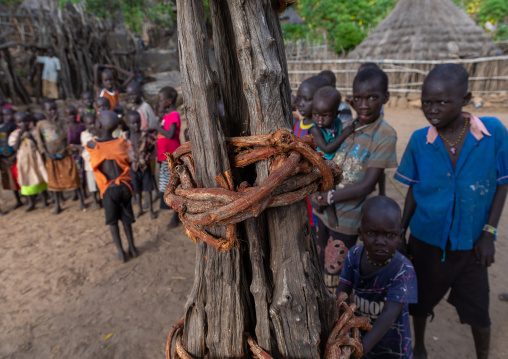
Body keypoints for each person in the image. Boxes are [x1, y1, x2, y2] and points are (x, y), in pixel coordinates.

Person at [394, 64, 508, 359]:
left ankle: (483, 355)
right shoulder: (421, 140)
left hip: (471, 244)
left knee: (478, 310)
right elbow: (414, 191)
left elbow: (502, 184)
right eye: (427, 101)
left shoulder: (493, 133)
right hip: (426, 240)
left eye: (443, 102)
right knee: (419, 303)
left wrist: (489, 234)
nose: (433, 109)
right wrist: (400, 233)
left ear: (465, 99)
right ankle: (419, 346)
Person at [309, 67, 397, 294]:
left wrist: (327, 196)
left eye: (372, 98)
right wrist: (315, 195)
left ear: (385, 98)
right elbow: (325, 160)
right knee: (319, 263)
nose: (364, 105)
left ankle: (336, 322)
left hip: (347, 218)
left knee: (334, 276)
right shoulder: (347, 127)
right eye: (358, 98)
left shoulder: (384, 134)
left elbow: (368, 184)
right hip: (323, 210)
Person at [337, 196, 417, 359]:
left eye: (390, 234)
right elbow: (341, 297)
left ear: (400, 236)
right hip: (357, 338)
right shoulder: (353, 256)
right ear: (360, 233)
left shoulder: (403, 270)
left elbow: (389, 314)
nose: (380, 241)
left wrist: (360, 350)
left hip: (392, 348)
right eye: (372, 233)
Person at [86, 110, 138, 262]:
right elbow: (127, 155)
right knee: (127, 220)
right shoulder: (121, 143)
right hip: (125, 186)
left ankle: (121, 252)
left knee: (113, 222)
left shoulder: (92, 144)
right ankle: (133, 248)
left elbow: (91, 150)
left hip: (109, 189)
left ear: (99, 124)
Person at [35, 99, 84, 214]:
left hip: (65, 154)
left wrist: (56, 124)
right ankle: (57, 205)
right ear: (44, 111)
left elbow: (65, 136)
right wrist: (45, 153)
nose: (53, 111)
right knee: (54, 182)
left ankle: (81, 200)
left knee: (73, 178)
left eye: (54, 109)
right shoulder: (41, 125)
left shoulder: (63, 122)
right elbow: (40, 141)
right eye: (50, 109)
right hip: (51, 157)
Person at [8, 112, 48, 211]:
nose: (23, 124)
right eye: (20, 122)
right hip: (23, 161)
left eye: (25, 121)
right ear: (16, 123)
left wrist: (32, 139)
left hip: (35, 160)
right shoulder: (14, 134)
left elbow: (39, 145)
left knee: (40, 176)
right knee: (25, 179)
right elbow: (15, 148)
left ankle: (44, 200)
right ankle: (30, 202)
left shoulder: (34, 132)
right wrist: (20, 136)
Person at [124, 111, 157, 219]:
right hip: (133, 169)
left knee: (148, 190)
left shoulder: (145, 136)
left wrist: (146, 157)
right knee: (137, 190)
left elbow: (152, 148)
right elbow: (124, 151)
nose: (136, 125)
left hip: (145, 167)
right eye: (133, 123)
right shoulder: (126, 138)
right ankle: (140, 209)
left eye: (138, 122)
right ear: (128, 123)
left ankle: (151, 210)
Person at [157, 86, 181, 227]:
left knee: (172, 184)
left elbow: (171, 134)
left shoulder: (174, 114)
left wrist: (157, 127)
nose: (159, 103)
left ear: (170, 100)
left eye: (161, 100)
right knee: (166, 184)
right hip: (164, 157)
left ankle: (175, 215)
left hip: (170, 156)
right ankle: (173, 212)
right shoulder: (166, 115)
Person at [0, 107, 22, 212]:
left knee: (20, 177)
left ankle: (30, 196)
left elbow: (17, 139)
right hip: (3, 160)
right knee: (10, 180)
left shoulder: (10, 126)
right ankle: (19, 200)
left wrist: (14, 156)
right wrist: (3, 160)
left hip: (14, 157)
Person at [79, 113, 100, 209]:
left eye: (93, 123)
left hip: (100, 163)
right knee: (92, 184)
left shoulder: (100, 133)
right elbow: (84, 148)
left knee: (100, 182)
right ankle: (94, 200)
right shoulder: (84, 135)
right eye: (89, 124)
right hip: (89, 163)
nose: (92, 126)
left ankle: (101, 198)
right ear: (85, 125)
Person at [65, 105, 86, 198]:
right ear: (66, 116)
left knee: (81, 174)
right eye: (69, 115)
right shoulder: (66, 126)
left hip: (80, 153)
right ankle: (76, 193)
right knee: (72, 173)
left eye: (73, 114)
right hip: (69, 154)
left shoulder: (81, 126)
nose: (72, 116)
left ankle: (83, 191)